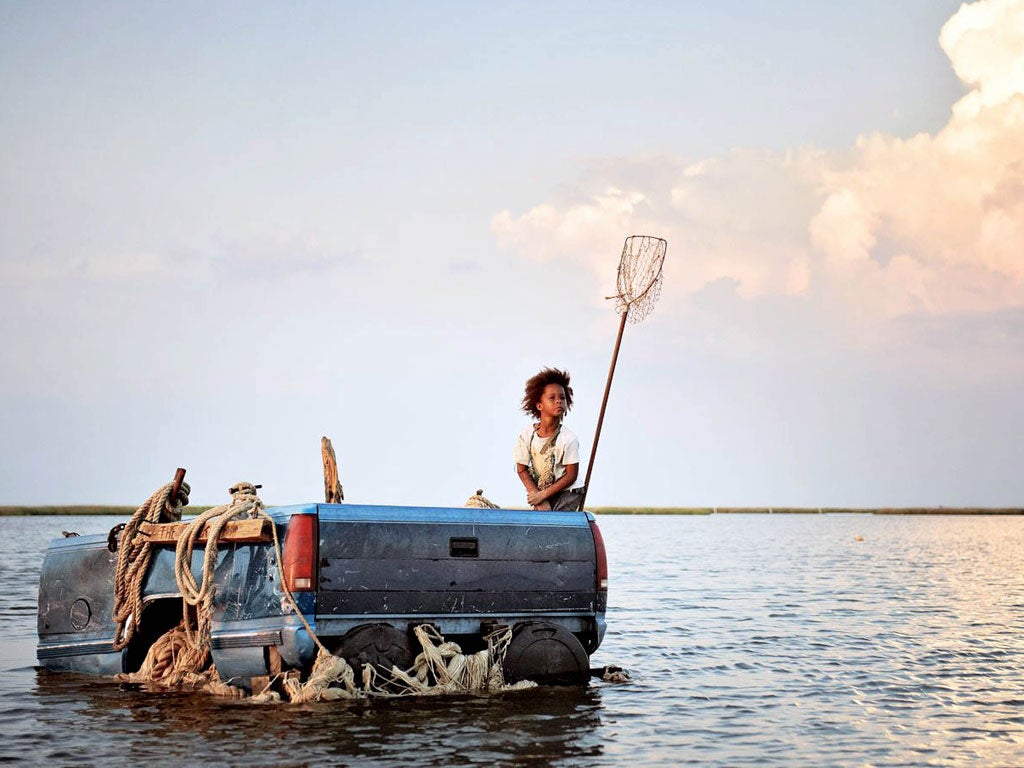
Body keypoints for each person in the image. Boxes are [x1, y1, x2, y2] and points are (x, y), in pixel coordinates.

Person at [514, 367, 585, 511]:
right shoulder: (526, 435)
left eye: (562, 398)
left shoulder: (568, 438)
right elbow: (521, 469)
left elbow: (571, 476)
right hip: (543, 489)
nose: (558, 401)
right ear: (539, 405)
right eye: (552, 398)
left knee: (553, 521)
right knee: (541, 518)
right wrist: (536, 495)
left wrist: (543, 495)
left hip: (568, 491)